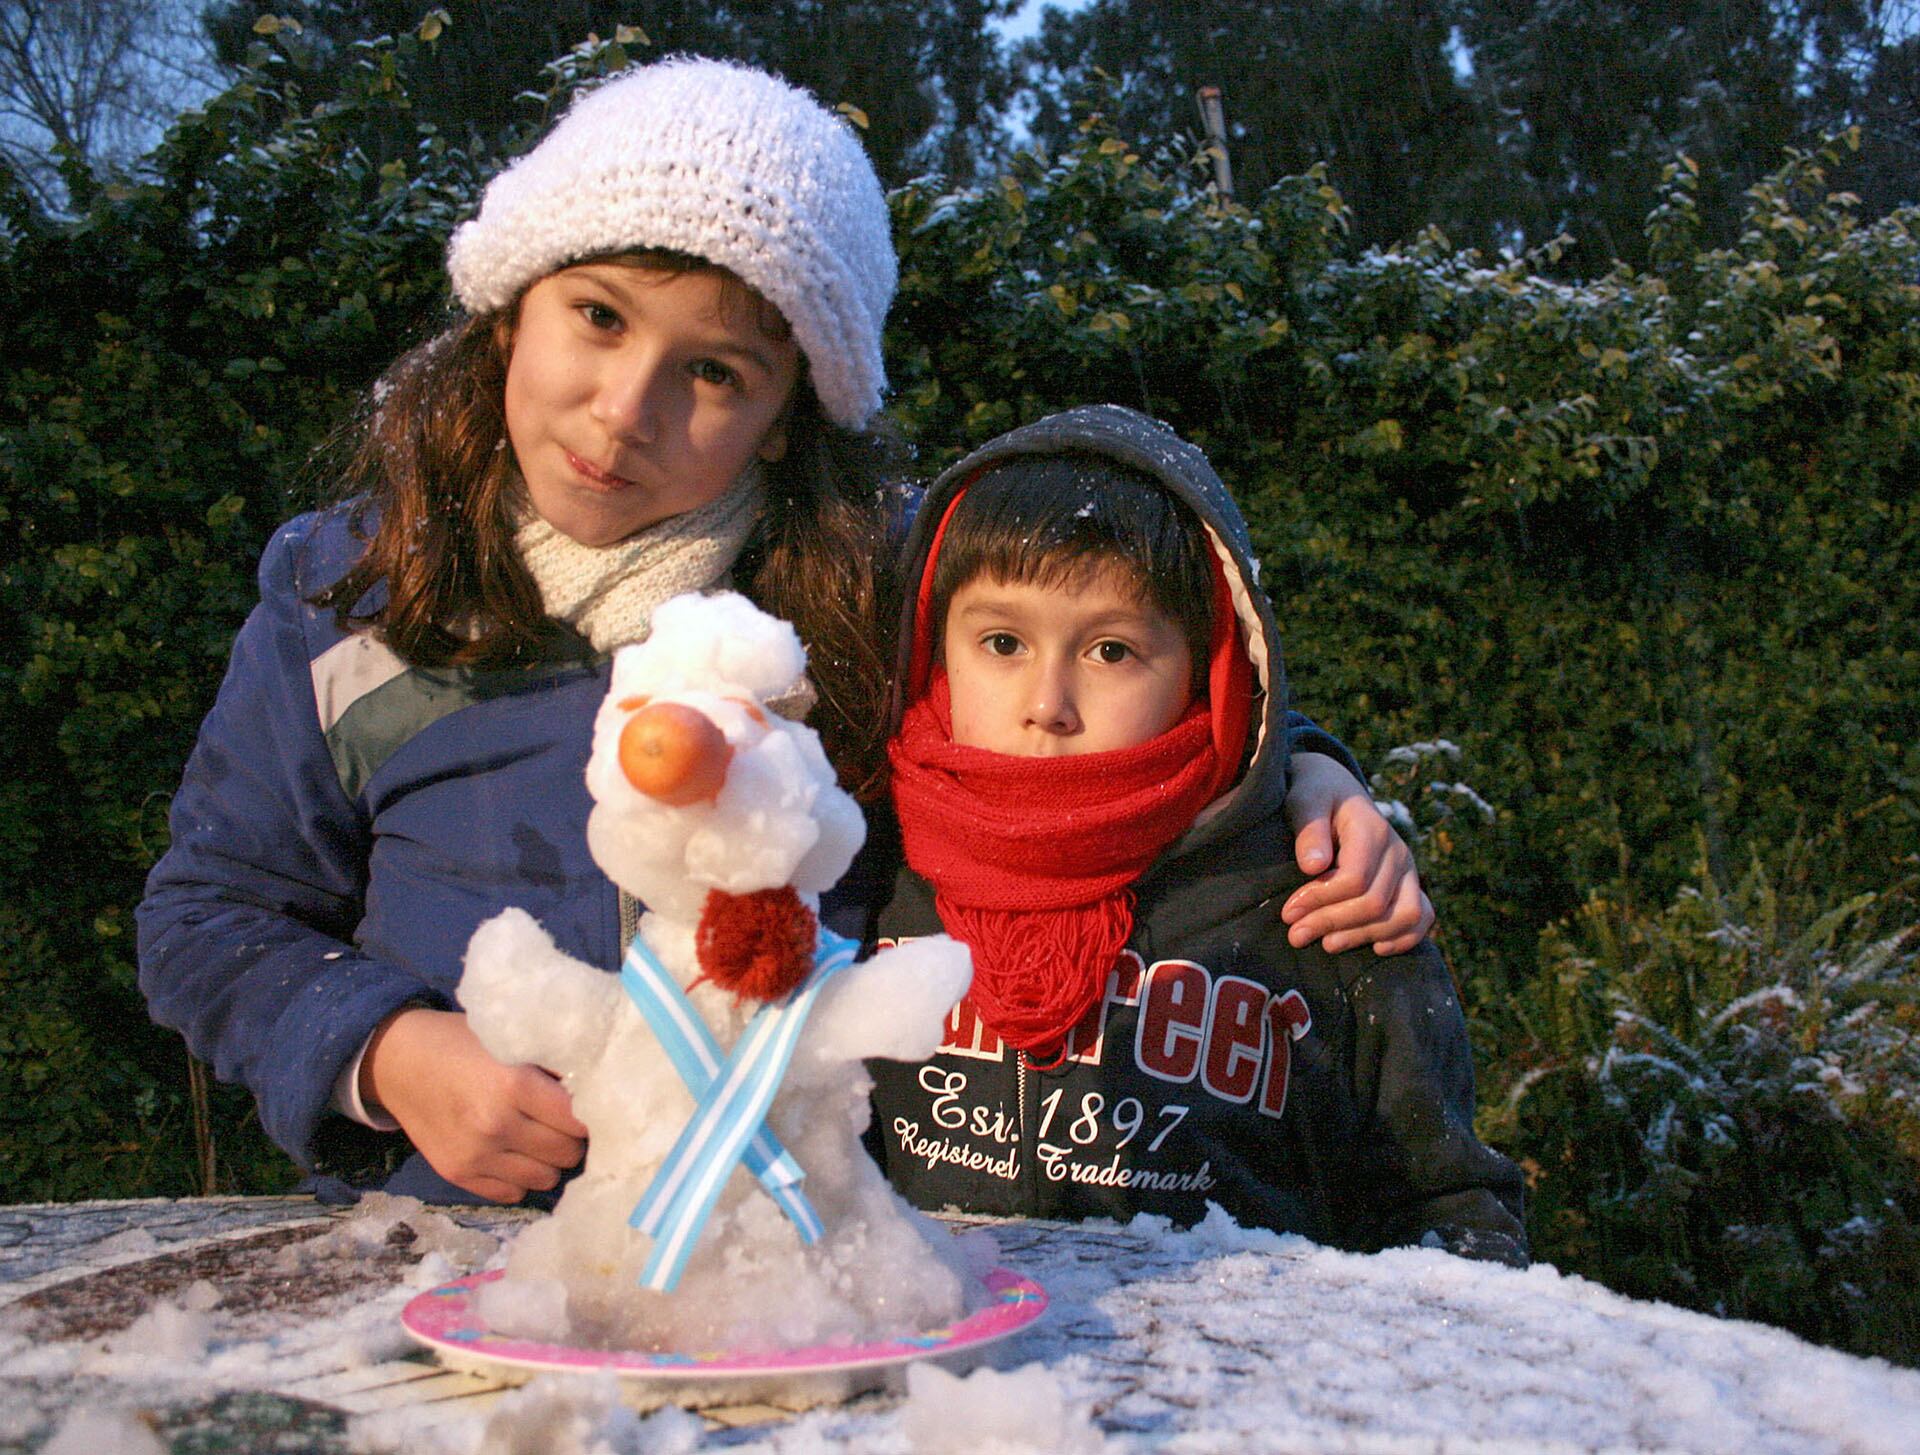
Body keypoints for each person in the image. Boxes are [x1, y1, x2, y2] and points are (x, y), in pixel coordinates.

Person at [137, 59, 1429, 1209]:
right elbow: (212, 909)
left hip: (793, 1262)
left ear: (788, 416)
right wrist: (383, 1052)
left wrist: (1310, 776)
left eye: (714, 372)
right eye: (597, 314)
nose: (624, 408)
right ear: (511, 302)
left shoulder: (873, 589)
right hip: (443, 1244)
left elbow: (1100, 674)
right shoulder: (350, 590)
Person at [868, 405, 1528, 1264]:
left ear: (1207, 668)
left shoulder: (1326, 896)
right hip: (949, 1385)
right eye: (1002, 641)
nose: (1046, 703)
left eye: (1111, 651)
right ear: (934, 643)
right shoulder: (863, 863)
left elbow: (1449, 1207)